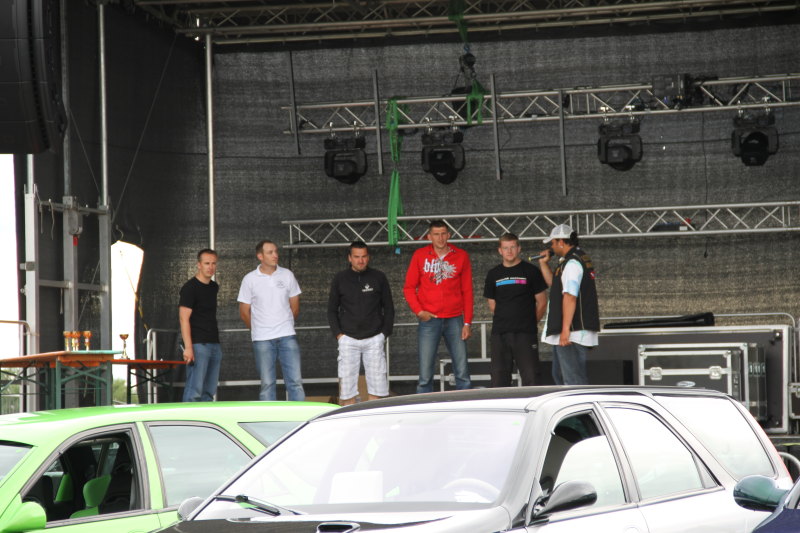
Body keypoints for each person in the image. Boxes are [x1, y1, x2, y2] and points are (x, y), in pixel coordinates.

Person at [403, 220, 473, 393]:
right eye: (436, 234)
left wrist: (467, 322)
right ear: (429, 237)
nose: (440, 238)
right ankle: (423, 407)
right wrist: (419, 311)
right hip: (429, 319)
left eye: (443, 234)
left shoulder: (461, 255)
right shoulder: (420, 255)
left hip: (455, 318)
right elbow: (409, 288)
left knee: (462, 371)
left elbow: (467, 291)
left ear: (449, 235)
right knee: (425, 373)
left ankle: (465, 405)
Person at [327, 241, 395, 405]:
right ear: (349, 258)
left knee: (377, 386)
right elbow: (331, 310)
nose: (361, 260)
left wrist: (383, 334)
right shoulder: (340, 278)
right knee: (346, 387)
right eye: (357, 257)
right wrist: (339, 335)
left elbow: (389, 308)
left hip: (374, 339)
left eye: (364, 256)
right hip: (348, 339)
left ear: (368, 257)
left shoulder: (379, 277)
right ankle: (349, 418)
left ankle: (375, 418)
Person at [237, 240, 305, 401]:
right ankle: (268, 417)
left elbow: (295, 307)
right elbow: (244, 312)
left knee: (295, 382)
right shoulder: (249, 279)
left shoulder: (287, 275)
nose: (275, 255)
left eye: (276, 251)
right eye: (270, 252)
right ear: (260, 256)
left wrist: (285, 324)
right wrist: (257, 329)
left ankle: (300, 415)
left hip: (287, 335)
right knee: (267, 383)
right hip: (262, 339)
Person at [538, 224, 600, 385]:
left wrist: (565, 329)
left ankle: (581, 403)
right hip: (569, 331)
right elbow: (555, 285)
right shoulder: (571, 260)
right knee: (560, 376)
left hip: (572, 332)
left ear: (561, 242)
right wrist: (543, 264)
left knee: (573, 381)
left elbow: (570, 296)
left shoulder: (572, 263)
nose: (551, 247)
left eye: (552, 243)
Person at [484, 233, 548, 387]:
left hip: (525, 334)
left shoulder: (531, 271)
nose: (509, 251)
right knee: (498, 379)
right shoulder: (493, 274)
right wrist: (506, 320)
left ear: (519, 248)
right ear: (500, 250)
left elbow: (542, 302)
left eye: (512, 247)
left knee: (531, 377)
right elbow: (492, 304)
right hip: (500, 333)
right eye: (506, 248)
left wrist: (530, 323)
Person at [179, 249, 222, 402]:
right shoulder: (190, 288)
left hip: (214, 343)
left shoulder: (213, 287)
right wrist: (188, 347)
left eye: (213, 263)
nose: (210, 267)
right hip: (198, 345)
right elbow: (183, 319)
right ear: (199, 265)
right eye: (207, 263)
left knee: (209, 392)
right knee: (194, 391)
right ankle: (188, 417)